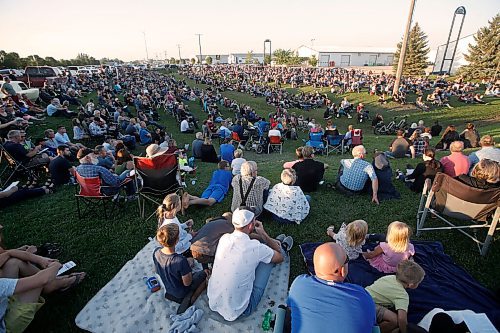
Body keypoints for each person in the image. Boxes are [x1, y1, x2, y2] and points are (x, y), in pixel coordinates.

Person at [207, 207, 292, 321]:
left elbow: (244, 236)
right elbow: (279, 258)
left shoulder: (225, 238)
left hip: (213, 301)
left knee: (262, 255)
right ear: (251, 225)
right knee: (268, 260)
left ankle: (276, 243)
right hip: (240, 310)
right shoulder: (254, 247)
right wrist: (264, 235)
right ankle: (284, 246)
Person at [287, 243, 376, 333]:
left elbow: (291, 308)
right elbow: (371, 324)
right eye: (347, 259)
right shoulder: (362, 296)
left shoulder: (298, 284)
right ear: (341, 271)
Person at [0, 249, 86, 333]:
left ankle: (52, 283)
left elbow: (7, 253)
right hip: (7, 324)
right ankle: (62, 283)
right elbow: (42, 279)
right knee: (37, 283)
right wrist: (55, 266)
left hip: (3, 299)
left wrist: (40, 260)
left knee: (13, 263)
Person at [153, 223, 209, 314]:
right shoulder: (180, 261)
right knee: (204, 273)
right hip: (181, 291)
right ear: (177, 240)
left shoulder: (155, 252)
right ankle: (190, 297)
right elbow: (188, 283)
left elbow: (157, 270)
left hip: (168, 288)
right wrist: (187, 270)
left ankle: (186, 297)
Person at [366, 260, 425, 333]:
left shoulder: (389, 277)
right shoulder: (402, 295)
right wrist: (404, 331)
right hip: (369, 304)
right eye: (418, 283)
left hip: (363, 295)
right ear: (411, 285)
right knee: (395, 321)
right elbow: (402, 319)